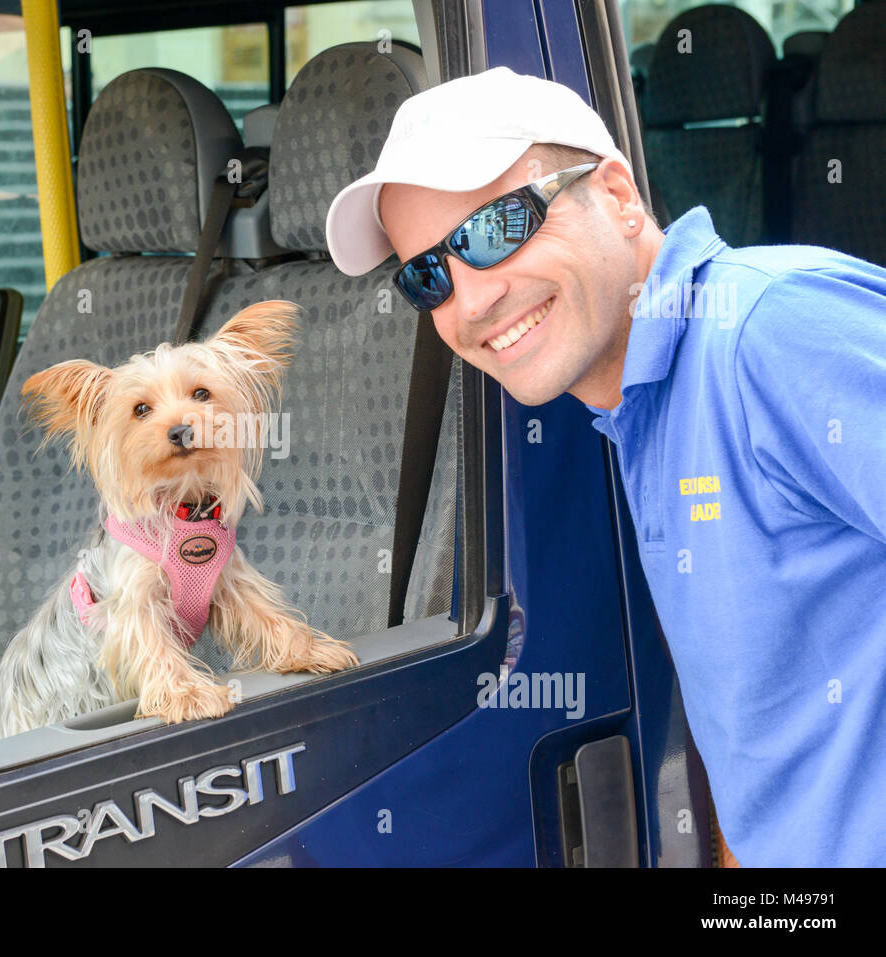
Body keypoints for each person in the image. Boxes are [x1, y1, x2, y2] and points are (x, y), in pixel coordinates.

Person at [325, 66, 886, 867]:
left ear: (618, 195)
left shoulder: (769, 332)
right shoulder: (634, 405)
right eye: (428, 275)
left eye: (497, 229)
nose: (469, 300)